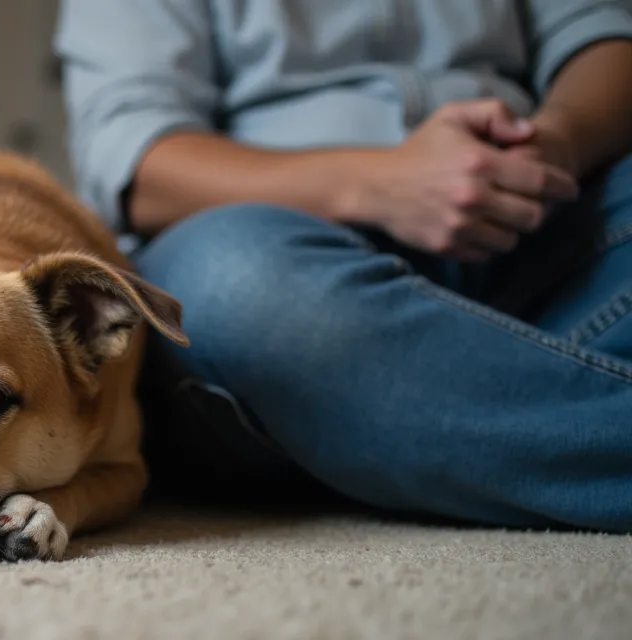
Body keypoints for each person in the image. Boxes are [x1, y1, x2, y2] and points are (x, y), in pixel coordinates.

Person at [55, 0, 632, 532]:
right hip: (284, 265)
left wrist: (556, 144)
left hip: (537, 225)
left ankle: (411, 427)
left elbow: (604, 36)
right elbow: (133, 157)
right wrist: (384, 184)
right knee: (235, 289)